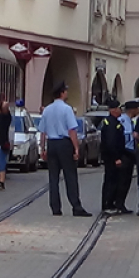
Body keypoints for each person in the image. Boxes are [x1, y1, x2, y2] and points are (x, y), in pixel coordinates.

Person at [38, 82, 92, 217]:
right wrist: (76, 148)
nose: (67, 93)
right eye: (66, 91)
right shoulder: (67, 109)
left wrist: (42, 148)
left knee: (53, 178)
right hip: (64, 143)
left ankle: (55, 208)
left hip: (52, 144)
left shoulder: (47, 110)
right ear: (62, 93)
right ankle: (76, 206)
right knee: (70, 176)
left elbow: (43, 131)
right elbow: (71, 130)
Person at [99, 100, 127, 213]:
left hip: (110, 156)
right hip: (111, 157)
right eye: (119, 108)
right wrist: (116, 158)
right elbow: (111, 143)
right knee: (111, 181)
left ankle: (109, 203)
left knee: (112, 180)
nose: (120, 110)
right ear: (113, 110)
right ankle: (108, 204)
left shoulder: (113, 122)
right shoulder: (110, 123)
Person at [114, 101, 139, 214]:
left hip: (130, 153)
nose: (138, 111)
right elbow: (123, 139)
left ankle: (121, 203)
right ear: (132, 110)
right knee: (122, 180)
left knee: (127, 180)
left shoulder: (130, 120)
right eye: (137, 109)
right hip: (125, 153)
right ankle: (118, 203)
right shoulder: (123, 121)